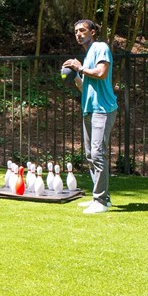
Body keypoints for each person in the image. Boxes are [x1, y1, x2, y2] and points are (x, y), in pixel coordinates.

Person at [63, 19, 118, 214]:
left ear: (93, 32)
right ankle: (103, 198)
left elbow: (102, 73)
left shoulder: (100, 47)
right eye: (76, 31)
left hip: (103, 108)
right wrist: (73, 75)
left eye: (82, 30)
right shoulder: (87, 57)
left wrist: (80, 68)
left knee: (97, 153)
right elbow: (83, 85)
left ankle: (100, 200)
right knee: (90, 155)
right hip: (89, 108)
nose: (78, 34)